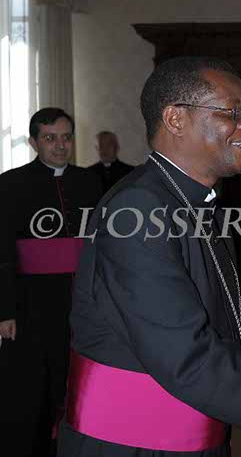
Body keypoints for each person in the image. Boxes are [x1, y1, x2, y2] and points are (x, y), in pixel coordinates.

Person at [56, 57, 241, 457]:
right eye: (232, 112)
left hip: (193, 437)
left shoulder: (195, 203)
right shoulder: (138, 209)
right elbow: (189, 357)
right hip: (133, 444)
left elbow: (229, 327)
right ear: (176, 118)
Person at [0, 108, 102, 457]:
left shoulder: (89, 181)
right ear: (33, 142)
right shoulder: (10, 184)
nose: (60, 146)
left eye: (66, 138)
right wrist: (5, 310)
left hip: (80, 300)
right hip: (30, 303)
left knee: (75, 382)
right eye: (50, 138)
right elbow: (2, 251)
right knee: (30, 389)